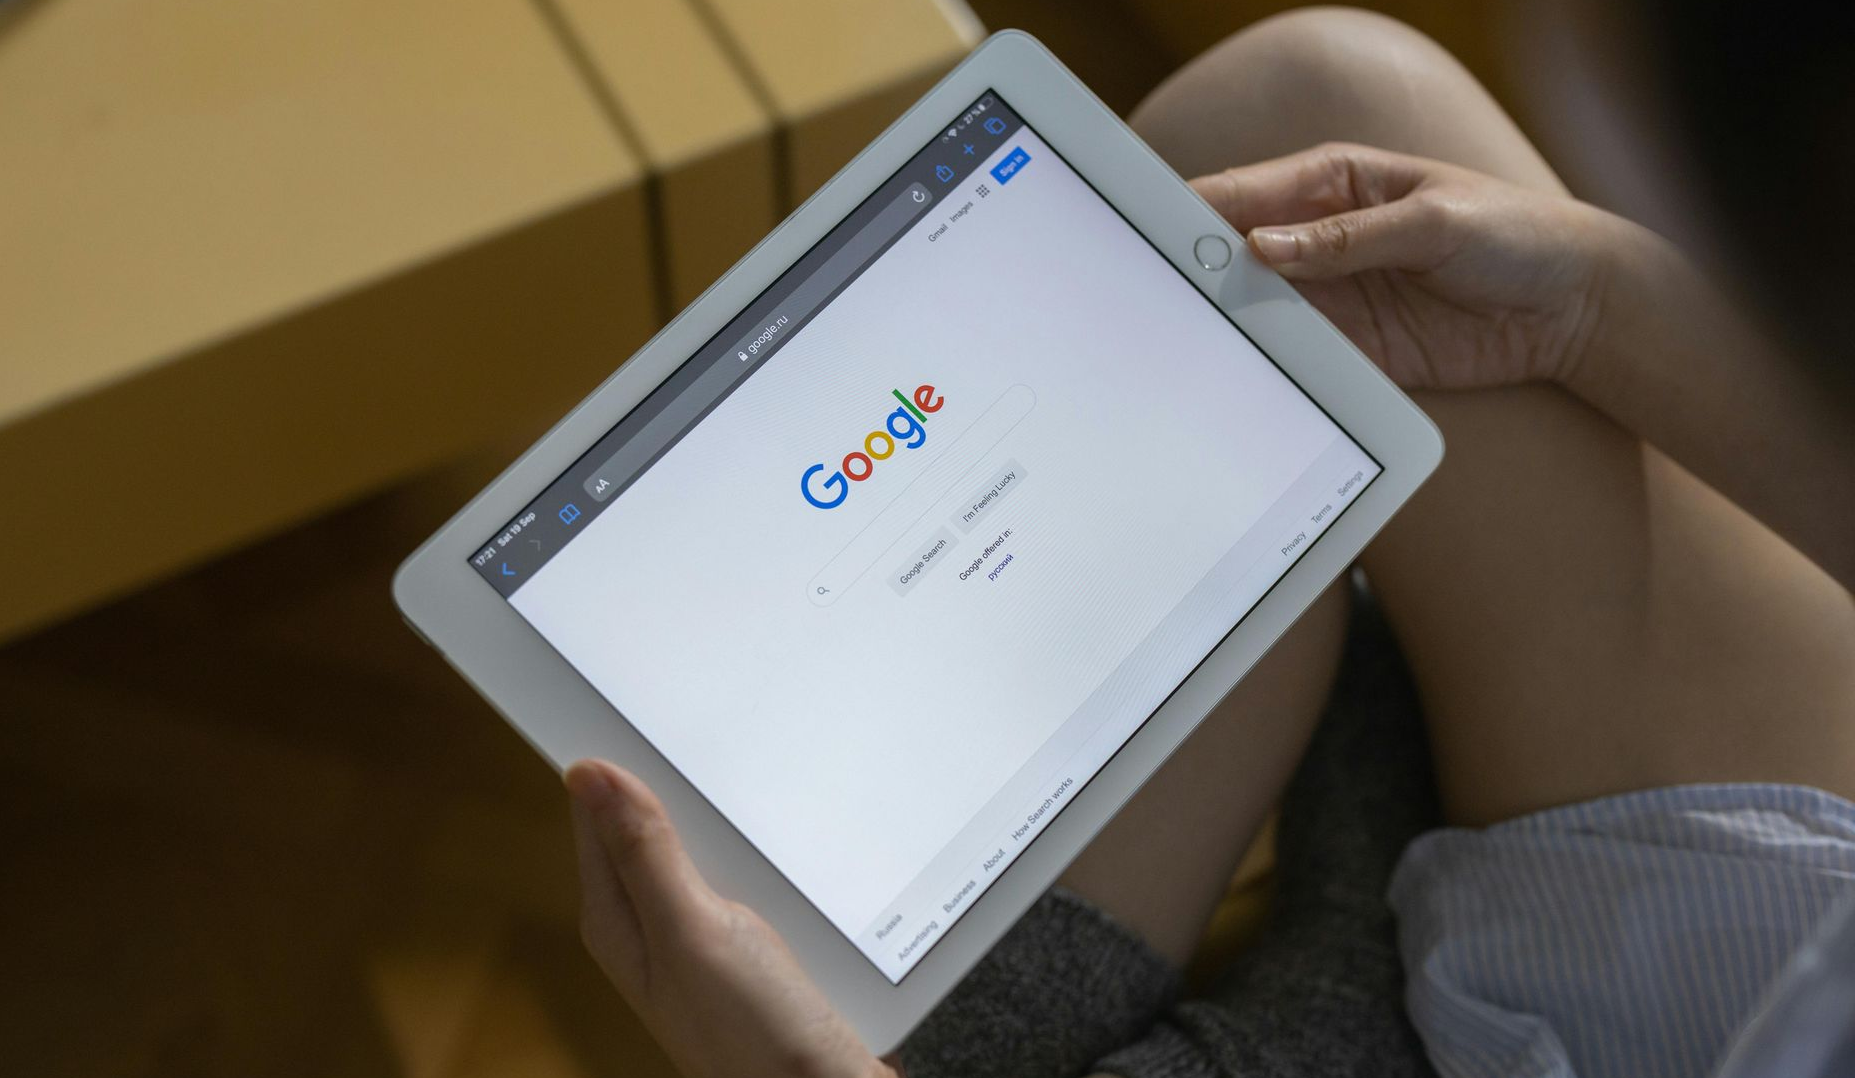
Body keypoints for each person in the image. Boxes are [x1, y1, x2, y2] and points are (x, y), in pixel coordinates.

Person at [562, 6, 1855, 1077]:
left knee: (817, 970)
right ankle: (1367, 870)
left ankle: (1355, 913)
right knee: (1302, 130)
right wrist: (1591, 306)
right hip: (1736, 931)